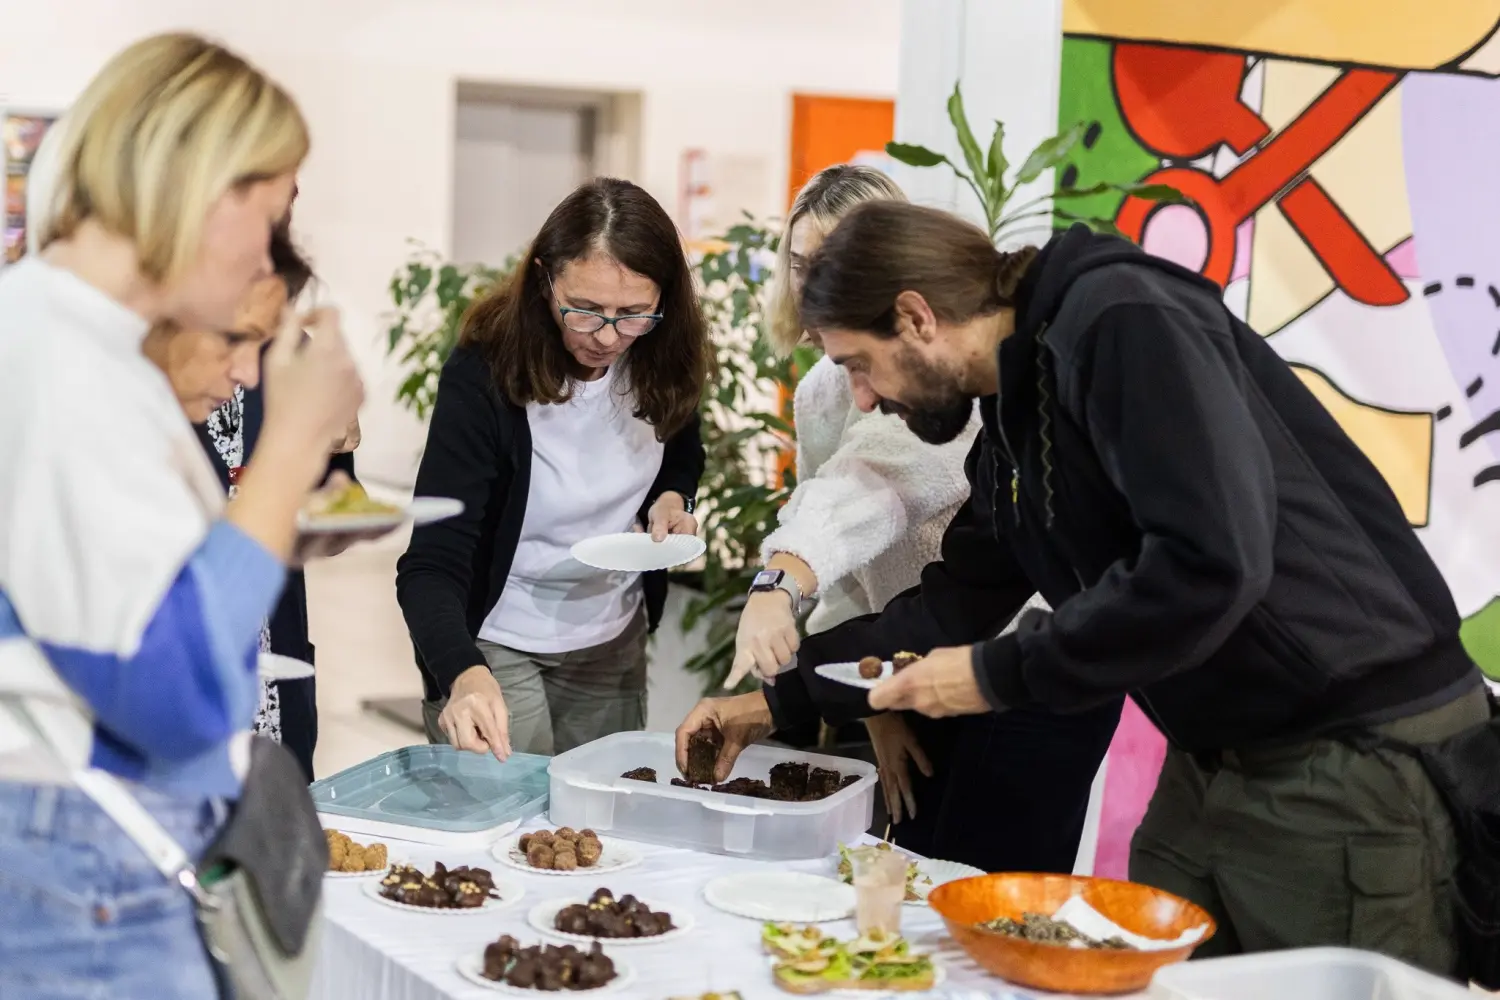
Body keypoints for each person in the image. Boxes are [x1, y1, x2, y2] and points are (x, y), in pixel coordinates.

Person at [679, 201, 1486, 975]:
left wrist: (995, 676)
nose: (861, 397)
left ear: (917, 316)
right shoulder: (1013, 413)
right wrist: (775, 704)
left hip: (1354, 754)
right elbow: (959, 597)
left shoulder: (1125, 319)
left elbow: (1211, 564)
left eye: (859, 364)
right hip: (1216, 758)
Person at [0, 33, 363, 997]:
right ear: (212, 191)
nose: (268, 253)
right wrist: (292, 448)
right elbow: (175, 697)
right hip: (85, 863)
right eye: (272, 210)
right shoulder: (62, 357)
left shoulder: (81, 347)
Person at [729, 164, 1116, 872]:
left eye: (835, 264)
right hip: (930, 653)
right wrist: (864, 697)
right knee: (913, 883)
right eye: (800, 264)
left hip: (1027, 667)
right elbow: (935, 588)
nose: (864, 397)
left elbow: (870, 484)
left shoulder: (1071, 342)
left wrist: (777, 585)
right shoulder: (850, 393)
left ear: (908, 303)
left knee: (979, 887)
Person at [398, 177, 710, 760]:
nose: (609, 337)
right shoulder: (484, 375)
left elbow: (683, 442)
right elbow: (431, 562)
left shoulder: (664, 354)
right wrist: (462, 673)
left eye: (633, 314)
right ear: (545, 280)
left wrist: (674, 496)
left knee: (598, 815)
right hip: (496, 636)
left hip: (611, 634)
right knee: (510, 819)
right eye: (585, 310)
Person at [149, 219, 351, 780]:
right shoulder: (115, 425)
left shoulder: (288, 358)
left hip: (265, 657)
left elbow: (337, 491)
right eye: (235, 339)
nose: (245, 370)